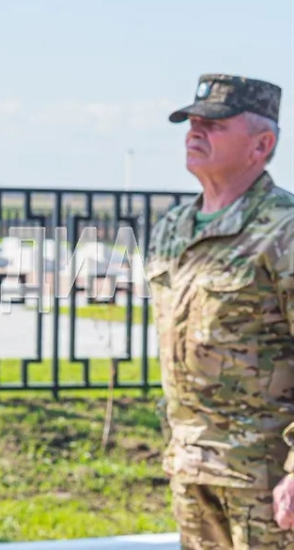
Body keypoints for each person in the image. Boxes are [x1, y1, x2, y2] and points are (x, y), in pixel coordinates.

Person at [149, 73, 294, 549]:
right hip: (191, 467)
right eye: (191, 122)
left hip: (266, 478)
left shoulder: (283, 230)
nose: (195, 132)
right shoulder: (173, 228)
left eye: (214, 124)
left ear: (261, 144)